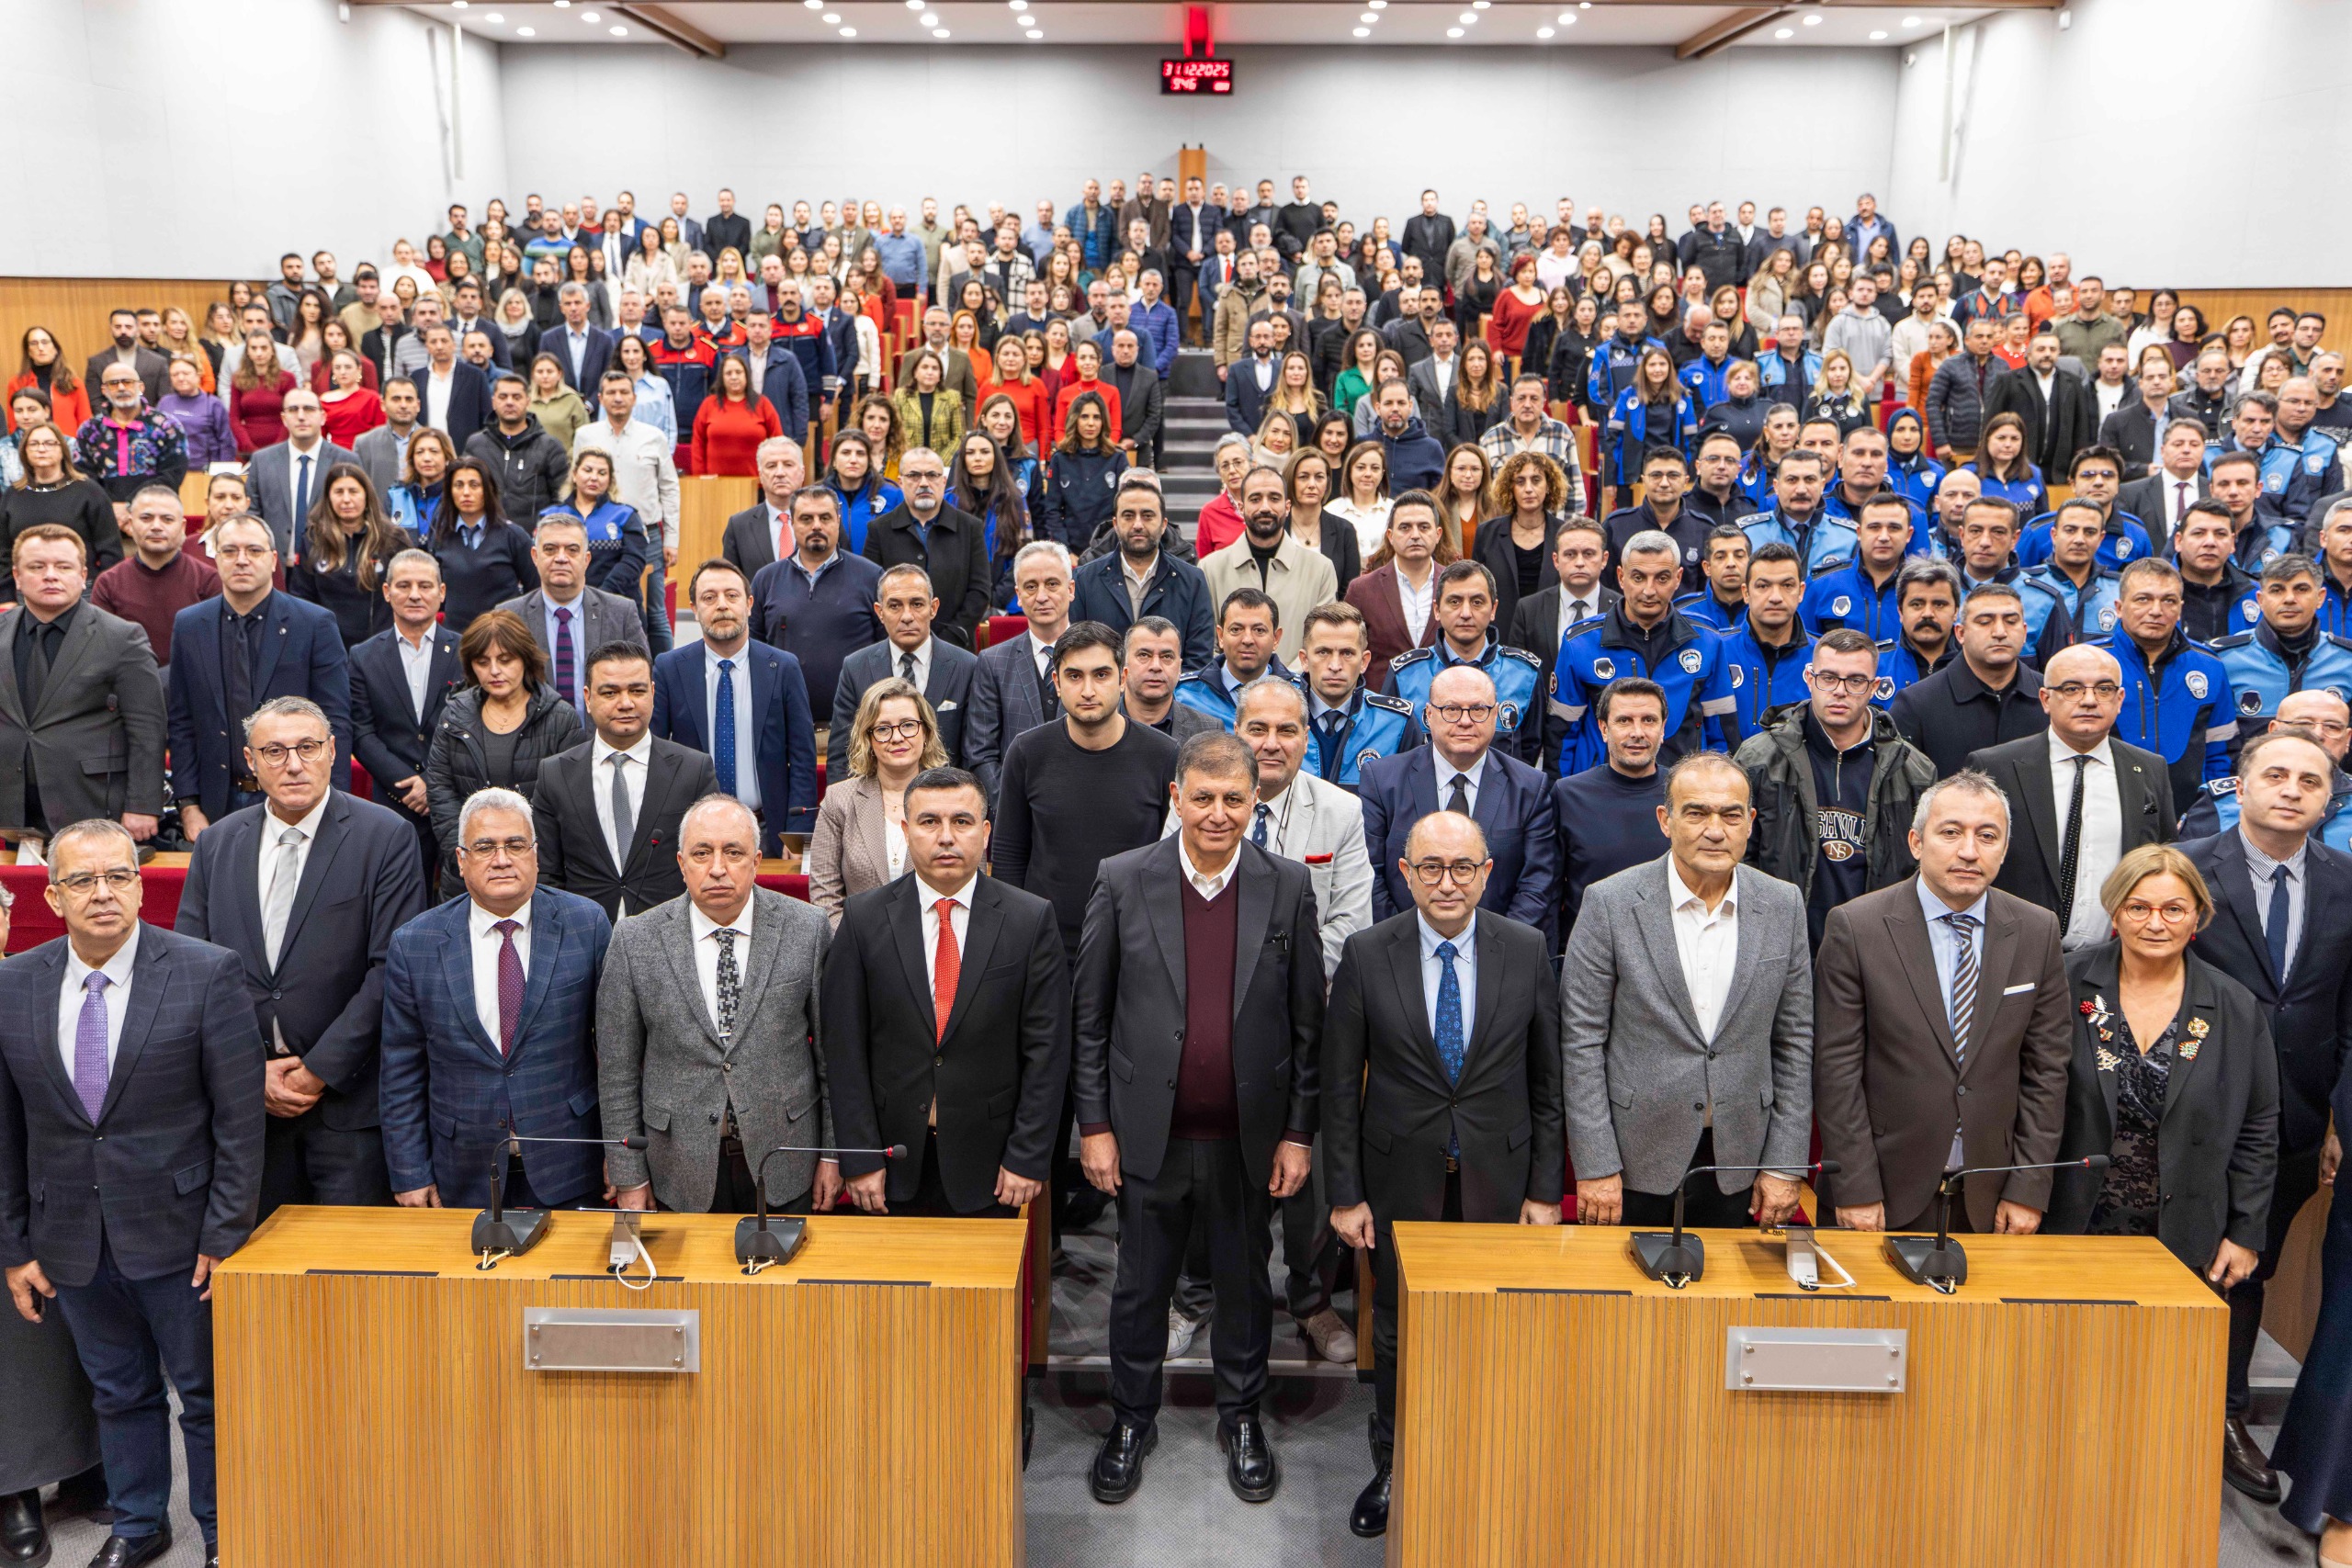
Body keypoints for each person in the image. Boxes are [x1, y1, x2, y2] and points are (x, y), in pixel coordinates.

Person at [0, 818, 264, 1568]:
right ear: (53, 895)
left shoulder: (206, 971)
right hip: (71, 1237)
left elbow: (240, 1122)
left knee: (207, 1397)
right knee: (118, 1391)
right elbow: (7, 1128)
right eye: (83, 879)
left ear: (141, 886)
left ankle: (224, 1533)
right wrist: (15, 1246)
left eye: (118, 875)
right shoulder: (13, 984)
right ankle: (140, 1521)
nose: (103, 892)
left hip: (184, 1236)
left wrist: (225, 1233)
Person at [1073, 731, 1322, 1506]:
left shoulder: (1287, 885)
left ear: (1256, 801)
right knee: (1140, 1288)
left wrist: (1298, 1132)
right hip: (1147, 1134)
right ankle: (1131, 1419)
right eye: (1204, 797)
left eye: (1234, 799)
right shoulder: (1122, 878)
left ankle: (1241, 1417)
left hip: (1249, 1138)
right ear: (1176, 797)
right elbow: (1090, 1016)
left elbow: (1307, 1025)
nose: (1218, 813)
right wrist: (1095, 1125)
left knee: (1246, 1286)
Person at [1322, 806, 1562, 1540]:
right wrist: (1346, 1194)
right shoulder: (1368, 952)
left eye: (1462, 867)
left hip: (1501, 1178)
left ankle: (1487, 1458)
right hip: (1399, 1180)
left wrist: (1545, 1189)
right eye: (1431, 867)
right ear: (1405, 872)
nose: (1447, 882)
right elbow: (1339, 1086)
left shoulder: (1527, 948)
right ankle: (1395, 1463)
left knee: (1495, 1326)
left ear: (1487, 872)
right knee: (1397, 1332)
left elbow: (1548, 1083)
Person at [2045, 844, 2279, 1493]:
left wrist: (2245, 1230)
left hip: (2181, 1223)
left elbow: (2259, 1126)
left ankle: (2147, 1498)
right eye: (2138, 906)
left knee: (2161, 1384)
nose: (2156, 921)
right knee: (2067, 1372)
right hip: (2076, 1216)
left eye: (2174, 908)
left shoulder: (2232, 1004)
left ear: (2197, 916)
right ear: (2114, 912)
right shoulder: (2065, 982)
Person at [2167, 726, 2352, 1500]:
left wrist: (2338, 1119)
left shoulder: (2347, 881)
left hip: (2298, 1116)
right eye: (2275, 774)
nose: (2291, 790)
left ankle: (2226, 1413)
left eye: (2310, 781)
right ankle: (2159, 1406)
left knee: (2250, 1265)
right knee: (2175, 1262)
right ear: (2239, 786)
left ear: (2329, 800)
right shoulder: (2184, 869)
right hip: (2189, 1107)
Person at [174, 694, 425, 1220]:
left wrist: (316, 1071)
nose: (293, 764)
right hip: (248, 1113)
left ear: (332, 751)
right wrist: (252, 1073)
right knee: (258, 1268)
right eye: (275, 751)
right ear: (250, 760)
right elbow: (192, 973)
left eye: (307, 747)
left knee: (348, 1266)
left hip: (348, 1109)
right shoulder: (217, 844)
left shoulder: (385, 836)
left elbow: (392, 971)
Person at [1812, 768, 2072, 1238]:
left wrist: (2028, 1187)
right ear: (1916, 842)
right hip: (1880, 1192)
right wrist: (1855, 1186)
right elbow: (1836, 1070)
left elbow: (2047, 1072)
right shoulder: (1856, 927)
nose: (1969, 851)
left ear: (2004, 849)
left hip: (1992, 1197)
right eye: (1951, 833)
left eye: (1987, 836)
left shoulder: (2038, 931)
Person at [1563, 750, 1812, 1232]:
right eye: (1696, 813)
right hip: (1633, 1158)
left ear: (1750, 823)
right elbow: (1581, 1042)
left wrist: (1785, 1164)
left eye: (1730, 815)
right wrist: (1595, 1163)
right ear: (1665, 820)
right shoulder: (1609, 903)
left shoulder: (1784, 905)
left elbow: (1795, 1042)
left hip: (1740, 1158)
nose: (1714, 830)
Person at [823, 762, 1070, 1224]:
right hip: (890, 1163)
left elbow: (1048, 1051)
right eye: (929, 822)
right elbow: (844, 1050)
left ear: (986, 832)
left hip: (994, 1165)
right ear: (905, 831)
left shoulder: (1030, 920)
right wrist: (860, 1157)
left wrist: (1027, 1155)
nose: (946, 837)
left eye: (962, 821)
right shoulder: (862, 919)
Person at [588, 791, 836, 1216]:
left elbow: (831, 1058)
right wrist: (630, 1175)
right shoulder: (634, 940)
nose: (717, 868)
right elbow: (617, 1072)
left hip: (786, 1159)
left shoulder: (808, 929)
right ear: (681, 863)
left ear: (756, 861)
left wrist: (832, 1153)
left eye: (733, 852)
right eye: (702, 853)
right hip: (677, 1167)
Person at [379, 787, 614, 1210]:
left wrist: (620, 1155)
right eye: (485, 847)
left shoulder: (587, 924)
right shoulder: (415, 943)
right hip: (462, 1172)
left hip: (571, 1165)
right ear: (460, 859)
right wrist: (410, 1172)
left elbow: (618, 1053)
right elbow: (401, 1070)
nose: (502, 859)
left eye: (515, 845)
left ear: (536, 854)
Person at [1734, 627, 1937, 945]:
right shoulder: (1758, 759)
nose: (1840, 691)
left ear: (1875, 687)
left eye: (1855, 681)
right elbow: (1737, 855)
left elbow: (1925, 871)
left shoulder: (1914, 772)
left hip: (1876, 948)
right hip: (1778, 943)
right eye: (1828, 678)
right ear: (1809, 678)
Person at [1965, 642, 2176, 946]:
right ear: (2045, 699)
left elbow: (2165, 860)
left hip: (2116, 954)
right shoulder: (1996, 767)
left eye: (2103, 689)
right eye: (2072, 689)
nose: (2089, 701)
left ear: (2119, 700)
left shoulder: (2149, 768)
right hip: (2014, 948)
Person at [166, 514, 352, 840]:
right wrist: (188, 805)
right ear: (216, 558)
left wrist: (332, 801)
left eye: (253, 550)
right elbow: (182, 722)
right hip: (216, 802)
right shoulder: (189, 625)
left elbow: (335, 719)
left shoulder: (314, 623)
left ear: (273, 559)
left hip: (297, 795)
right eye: (230, 551)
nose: (241, 560)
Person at [0, 525, 165, 867]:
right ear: (17, 576)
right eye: (37, 566)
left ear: (83, 575)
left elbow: (147, 727)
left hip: (91, 802)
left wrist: (143, 804)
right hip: (12, 805)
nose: (50, 575)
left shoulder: (122, 637)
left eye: (63, 566)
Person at [1361, 661, 1556, 928]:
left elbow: (1537, 885)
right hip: (1400, 943)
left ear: (1495, 714)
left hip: (1499, 945)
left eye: (1478, 710)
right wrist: (1407, 942)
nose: (1465, 721)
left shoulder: (1530, 788)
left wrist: (1497, 944)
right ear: (1429, 715)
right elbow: (1369, 876)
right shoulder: (1382, 781)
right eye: (1451, 709)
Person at [530, 643, 718, 921]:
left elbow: (708, 863)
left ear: (653, 693)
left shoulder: (693, 770)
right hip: (584, 932)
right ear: (588, 698)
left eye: (637, 691)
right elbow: (546, 874)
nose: (626, 703)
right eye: (610, 693)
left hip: (669, 932)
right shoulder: (554, 774)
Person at [651, 558, 817, 854]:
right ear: (694, 608)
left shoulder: (783, 668)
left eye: (731, 595)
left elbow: (803, 758)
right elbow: (656, 755)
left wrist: (797, 834)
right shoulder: (669, 668)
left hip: (768, 832)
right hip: (694, 835)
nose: (722, 606)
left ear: (749, 604)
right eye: (709, 598)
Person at [1550, 528, 1737, 774]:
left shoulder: (1707, 641)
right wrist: (1560, 793)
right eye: (1638, 578)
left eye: (1662, 578)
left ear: (1678, 578)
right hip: (1601, 787)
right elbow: (1560, 736)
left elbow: (1722, 734)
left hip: (1683, 787)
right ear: (1621, 577)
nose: (1649, 590)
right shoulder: (1580, 644)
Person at [423, 608, 583, 890]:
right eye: (483, 662)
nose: (494, 671)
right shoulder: (454, 716)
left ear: (525, 659)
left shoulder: (560, 718)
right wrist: (469, 857)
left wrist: (531, 861)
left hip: (539, 875)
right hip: (467, 876)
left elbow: (569, 805)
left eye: (505, 660)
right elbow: (440, 790)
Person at [350, 548, 462, 883]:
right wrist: (407, 784)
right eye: (404, 585)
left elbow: (469, 723)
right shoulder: (363, 656)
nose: (415, 594)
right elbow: (361, 731)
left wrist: (431, 781)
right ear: (387, 592)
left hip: (455, 794)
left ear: (441, 592)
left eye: (425, 586)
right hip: (394, 800)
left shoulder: (466, 650)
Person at [807, 677, 946, 925]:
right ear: (868, 739)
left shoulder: (953, 798)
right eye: (883, 729)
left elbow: (969, 884)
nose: (897, 737)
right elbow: (824, 895)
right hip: (859, 943)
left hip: (936, 940)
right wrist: (856, 943)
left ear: (925, 732)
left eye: (908, 725)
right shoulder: (839, 800)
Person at [1386, 559, 1545, 766]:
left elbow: (1530, 752)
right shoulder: (1405, 674)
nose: (1466, 613)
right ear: (1436, 609)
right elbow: (1393, 752)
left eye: (1477, 602)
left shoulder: (1524, 673)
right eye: (1454, 601)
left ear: (1493, 609)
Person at [826, 564, 978, 780]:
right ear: (880, 612)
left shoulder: (968, 667)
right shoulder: (856, 667)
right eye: (895, 606)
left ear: (933, 608)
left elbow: (975, 754)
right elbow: (842, 757)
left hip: (948, 795)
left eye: (917, 604)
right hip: (876, 795)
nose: (907, 616)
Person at [1552, 676, 1671, 943]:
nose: (1637, 732)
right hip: (1590, 949)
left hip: (1669, 949)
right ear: (1604, 728)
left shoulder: (1685, 793)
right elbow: (1549, 889)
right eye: (1624, 721)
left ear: (1663, 729)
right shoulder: (1568, 794)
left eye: (1649, 720)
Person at [1891, 581, 2049, 777]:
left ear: (2024, 632)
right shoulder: (1916, 704)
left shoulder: (2051, 697)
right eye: (1984, 622)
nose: (2000, 632)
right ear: (1961, 633)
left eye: (2010, 621)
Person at [1069, 472, 1216, 669]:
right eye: (1128, 516)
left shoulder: (1192, 581)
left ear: (1163, 525)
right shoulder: (1085, 580)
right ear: (1115, 524)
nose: (1138, 525)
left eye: (1147, 516)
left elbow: (1198, 661)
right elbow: (1077, 653)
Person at [965, 541, 1074, 802]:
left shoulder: (1100, 656)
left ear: (1070, 589)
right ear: (1018, 595)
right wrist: (1011, 809)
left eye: (1052, 584)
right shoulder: (993, 662)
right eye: (1031, 587)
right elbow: (980, 753)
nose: (1041, 596)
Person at [1200, 465, 1340, 666]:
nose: (1265, 507)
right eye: (1255, 499)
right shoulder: (1210, 569)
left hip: (1298, 683)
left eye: (1274, 498)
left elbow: (1322, 641)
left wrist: (1286, 680)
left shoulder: (1320, 569)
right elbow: (1207, 644)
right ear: (1241, 508)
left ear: (1287, 507)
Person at [860, 446, 990, 649]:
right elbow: (870, 591)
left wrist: (951, 637)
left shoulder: (970, 527)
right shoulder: (879, 530)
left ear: (943, 481)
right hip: (896, 647)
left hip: (956, 648)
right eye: (913, 475)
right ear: (901, 482)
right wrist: (896, 634)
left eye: (931, 475)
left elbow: (980, 591)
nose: (923, 483)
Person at [91, 484, 220, 673]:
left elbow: (217, 650)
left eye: (167, 519)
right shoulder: (108, 584)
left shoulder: (208, 581)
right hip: (129, 685)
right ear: (130, 524)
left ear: (182, 527)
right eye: (146, 518)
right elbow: (102, 653)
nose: (156, 526)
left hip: (194, 682)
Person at [2213, 554, 2352, 729]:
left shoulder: (2347, 661)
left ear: (2320, 598)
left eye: (2301, 589)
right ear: (2260, 600)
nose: (2289, 599)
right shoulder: (2224, 659)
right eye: (2277, 590)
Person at [0, 421, 125, 602]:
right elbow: (3, 552)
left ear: (62, 450)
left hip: (83, 592)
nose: (41, 449)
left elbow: (110, 550)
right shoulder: (12, 495)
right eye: (34, 444)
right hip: (25, 593)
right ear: (24, 452)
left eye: (49, 443)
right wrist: (6, 597)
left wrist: (104, 594)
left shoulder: (89, 491)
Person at [1120, 616, 1225, 745]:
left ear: (1179, 667)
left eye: (1167, 657)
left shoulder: (1209, 731)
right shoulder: (1099, 722)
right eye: (1144, 655)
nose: (1156, 666)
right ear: (1124, 664)